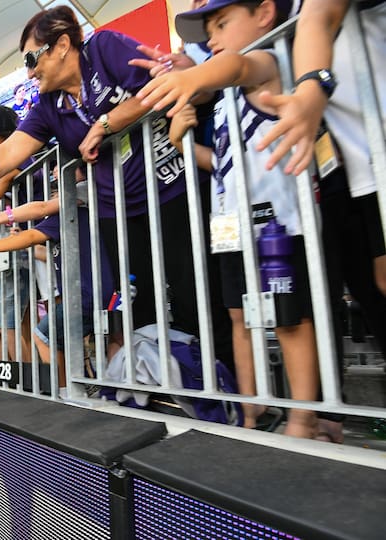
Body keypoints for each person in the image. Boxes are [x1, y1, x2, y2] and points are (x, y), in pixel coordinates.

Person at [0, 6, 199, 343]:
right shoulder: (48, 105)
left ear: (63, 45)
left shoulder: (104, 49)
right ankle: (160, 384)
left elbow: (158, 86)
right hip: (117, 212)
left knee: (192, 295)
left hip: (171, 189)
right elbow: (12, 150)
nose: (28, 74)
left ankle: (221, 388)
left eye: (31, 60)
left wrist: (104, 124)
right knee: (140, 308)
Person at [137, 0, 319, 439]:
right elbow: (219, 161)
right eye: (209, 31)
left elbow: (237, 65)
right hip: (229, 222)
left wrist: (191, 77)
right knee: (239, 315)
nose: (212, 40)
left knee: (288, 319)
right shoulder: (225, 100)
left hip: (275, 220)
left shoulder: (266, 62)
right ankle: (250, 411)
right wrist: (180, 140)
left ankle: (303, 420)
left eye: (221, 25)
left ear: (265, 13)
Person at [254, 0, 386, 442]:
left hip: (374, 157)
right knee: (367, 285)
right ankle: (328, 411)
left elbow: (320, 16)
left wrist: (312, 86)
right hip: (346, 172)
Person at [0, 180, 113, 390]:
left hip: (84, 294)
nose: (53, 198)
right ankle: (78, 388)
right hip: (87, 292)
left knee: (42, 336)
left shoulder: (69, 212)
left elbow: (33, 234)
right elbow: (41, 251)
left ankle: (65, 392)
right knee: (69, 340)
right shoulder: (70, 219)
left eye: (55, 193)